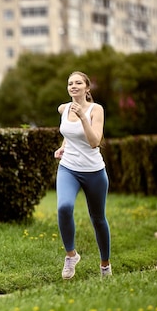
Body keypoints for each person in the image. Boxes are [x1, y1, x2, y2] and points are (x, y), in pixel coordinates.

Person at [53, 71, 112, 279]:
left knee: (98, 219)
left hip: (94, 171)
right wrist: (63, 146)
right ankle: (71, 255)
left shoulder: (96, 110)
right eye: (70, 83)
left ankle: (105, 264)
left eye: (78, 83)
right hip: (68, 168)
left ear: (87, 88)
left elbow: (94, 141)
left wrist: (82, 118)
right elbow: (69, 134)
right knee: (64, 207)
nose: (73, 86)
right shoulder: (63, 108)